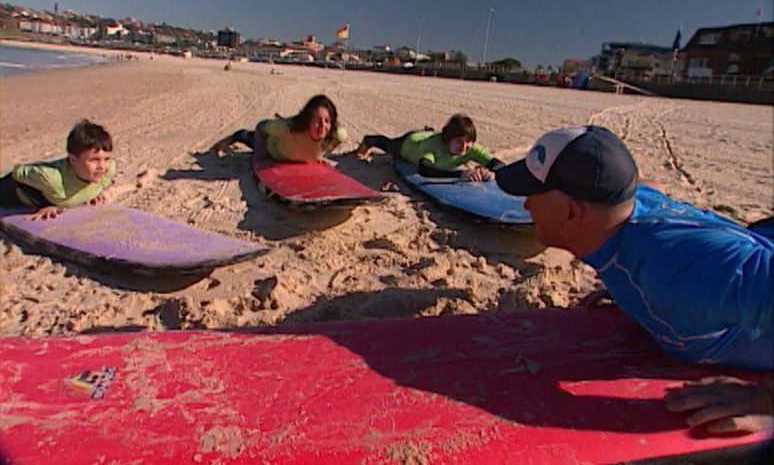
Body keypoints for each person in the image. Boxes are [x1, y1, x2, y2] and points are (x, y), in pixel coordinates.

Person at [495, 125, 772, 433]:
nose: (526, 205)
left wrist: (765, 399)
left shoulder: (678, 277)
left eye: (533, 196)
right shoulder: (622, 215)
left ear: (572, 213)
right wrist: (622, 282)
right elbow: (649, 187)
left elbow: (702, 272)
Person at [0, 120, 115, 221]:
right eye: (94, 160)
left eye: (106, 159)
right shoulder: (52, 179)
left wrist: (96, 193)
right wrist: (44, 205)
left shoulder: (107, 170)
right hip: (10, 194)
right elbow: (17, 172)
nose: (102, 166)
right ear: (73, 159)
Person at [355, 113, 504, 181]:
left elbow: (498, 164)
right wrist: (460, 174)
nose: (464, 147)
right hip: (410, 144)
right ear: (448, 140)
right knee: (385, 144)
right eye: (459, 141)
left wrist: (490, 172)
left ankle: (429, 131)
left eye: (468, 141)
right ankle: (366, 142)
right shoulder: (435, 148)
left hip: (428, 138)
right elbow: (424, 168)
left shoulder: (470, 148)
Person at [210, 94, 346, 164]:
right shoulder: (288, 129)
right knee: (247, 137)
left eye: (327, 121)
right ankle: (233, 138)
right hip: (273, 150)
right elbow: (261, 126)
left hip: (291, 153)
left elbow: (339, 136)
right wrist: (261, 157)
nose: (323, 126)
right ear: (307, 120)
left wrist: (319, 155)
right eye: (317, 120)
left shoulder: (334, 135)